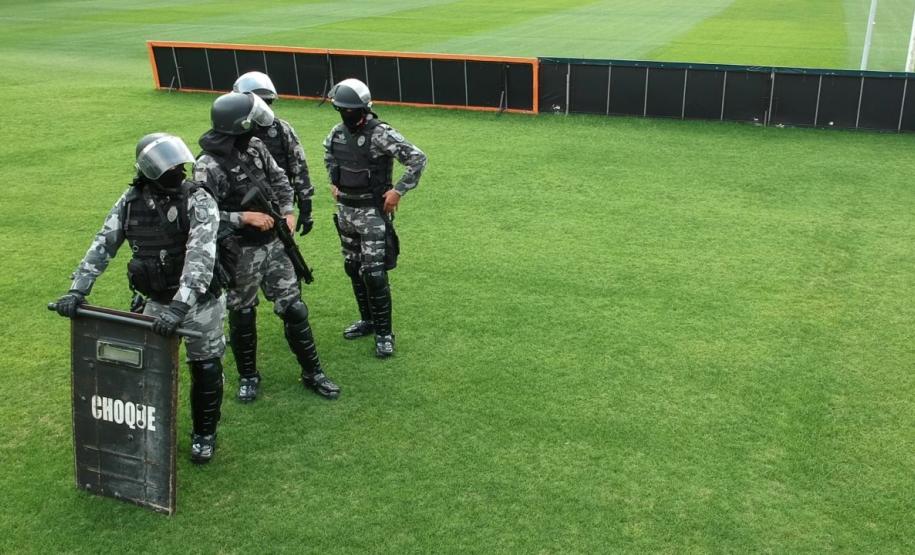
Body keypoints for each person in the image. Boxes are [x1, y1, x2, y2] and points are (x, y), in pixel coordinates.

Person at [55, 133, 225, 464]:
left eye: (179, 164)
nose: (177, 171)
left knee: (205, 366)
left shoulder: (199, 200)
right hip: (156, 301)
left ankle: (205, 434)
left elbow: (200, 258)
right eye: (169, 166)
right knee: (151, 370)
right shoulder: (130, 202)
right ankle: (149, 430)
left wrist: (180, 306)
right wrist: (78, 288)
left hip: (199, 305)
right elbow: (103, 244)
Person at [194, 91, 340, 402]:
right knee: (242, 312)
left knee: (294, 308)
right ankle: (248, 376)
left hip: (275, 244)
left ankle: (313, 372)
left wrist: (287, 211)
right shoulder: (207, 165)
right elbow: (200, 215)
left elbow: (280, 180)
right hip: (241, 251)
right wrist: (242, 216)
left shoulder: (256, 147)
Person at [323, 78, 427, 357]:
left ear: (363, 108)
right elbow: (329, 155)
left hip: (371, 212)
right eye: (341, 109)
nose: (346, 114)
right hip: (345, 212)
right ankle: (368, 321)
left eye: (349, 109)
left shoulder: (381, 133)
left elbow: (417, 158)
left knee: (375, 273)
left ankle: (384, 333)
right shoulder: (336, 133)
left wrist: (397, 191)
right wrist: (333, 181)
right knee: (353, 267)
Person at [232, 71, 315, 238]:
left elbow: (298, 166)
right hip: (244, 209)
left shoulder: (280, 129)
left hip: (279, 204)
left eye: (266, 103)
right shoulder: (230, 131)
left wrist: (305, 206)